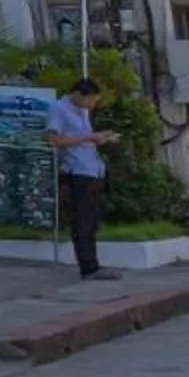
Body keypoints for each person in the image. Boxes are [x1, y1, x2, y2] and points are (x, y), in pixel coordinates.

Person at [46, 77, 120, 281]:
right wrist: (88, 138)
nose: (92, 105)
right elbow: (54, 140)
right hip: (75, 171)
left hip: (91, 169)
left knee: (92, 220)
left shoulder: (82, 111)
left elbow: (83, 139)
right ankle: (88, 267)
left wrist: (99, 138)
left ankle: (93, 264)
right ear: (78, 94)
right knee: (83, 221)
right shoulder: (59, 109)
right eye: (90, 100)